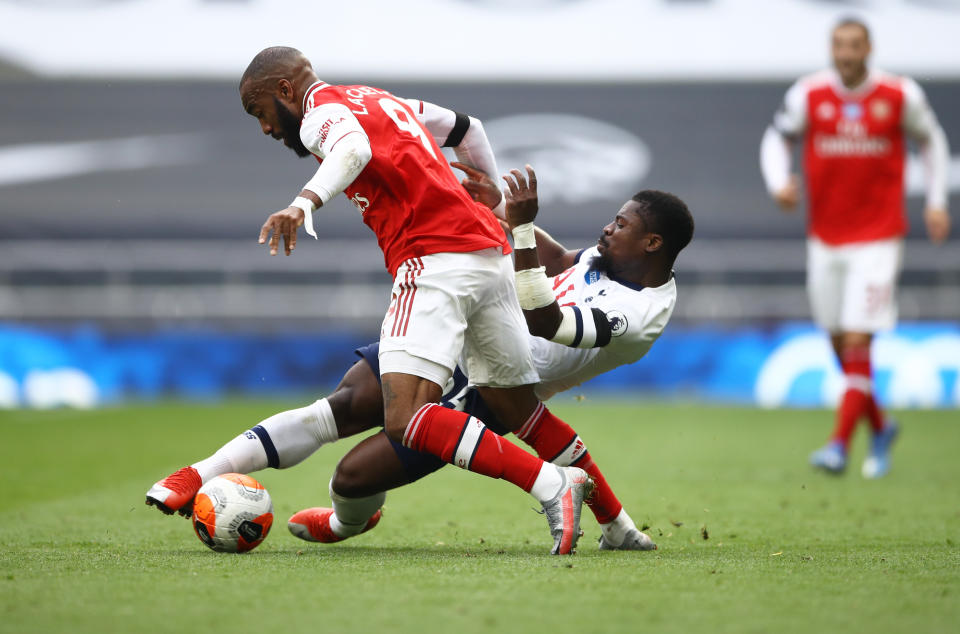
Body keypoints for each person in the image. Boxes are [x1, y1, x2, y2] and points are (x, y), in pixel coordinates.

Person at [150, 46, 602, 555]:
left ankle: (551, 484)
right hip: (488, 256)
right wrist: (492, 198)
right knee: (512, 407)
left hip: (434, 263)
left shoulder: (317, 113)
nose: (265, 129)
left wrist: (302, 205)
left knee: (405, 418)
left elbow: (353, 151)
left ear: (284, 91)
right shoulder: (381, 99)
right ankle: (619, 523)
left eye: (259, 112)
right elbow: (470, 129)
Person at [147, 163, 693, 551]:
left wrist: (522, 227)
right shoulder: (606, 259)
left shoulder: (640, 314)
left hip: (492, 384)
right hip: (457, 324)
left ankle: (345, 523)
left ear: (653, 244)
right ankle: (197, 473)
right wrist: (500, 209)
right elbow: (555, 260)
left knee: (351, 479)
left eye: (621, 225)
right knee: (342, 403)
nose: (607, 228)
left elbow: (543, 320)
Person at [759, 17, 950, 478]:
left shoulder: (899, 95)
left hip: (879, 237)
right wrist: (778, 182)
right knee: (837, 339)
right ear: (831, 48)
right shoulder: (809, 95)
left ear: (869, 48)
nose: (845, 54)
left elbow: (933, 140)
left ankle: (838, 445)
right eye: (838, 45)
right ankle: (881, 428)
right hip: (825, 237)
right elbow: (776, 138)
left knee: (860, 337)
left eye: (854, 46)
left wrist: (937, 200)